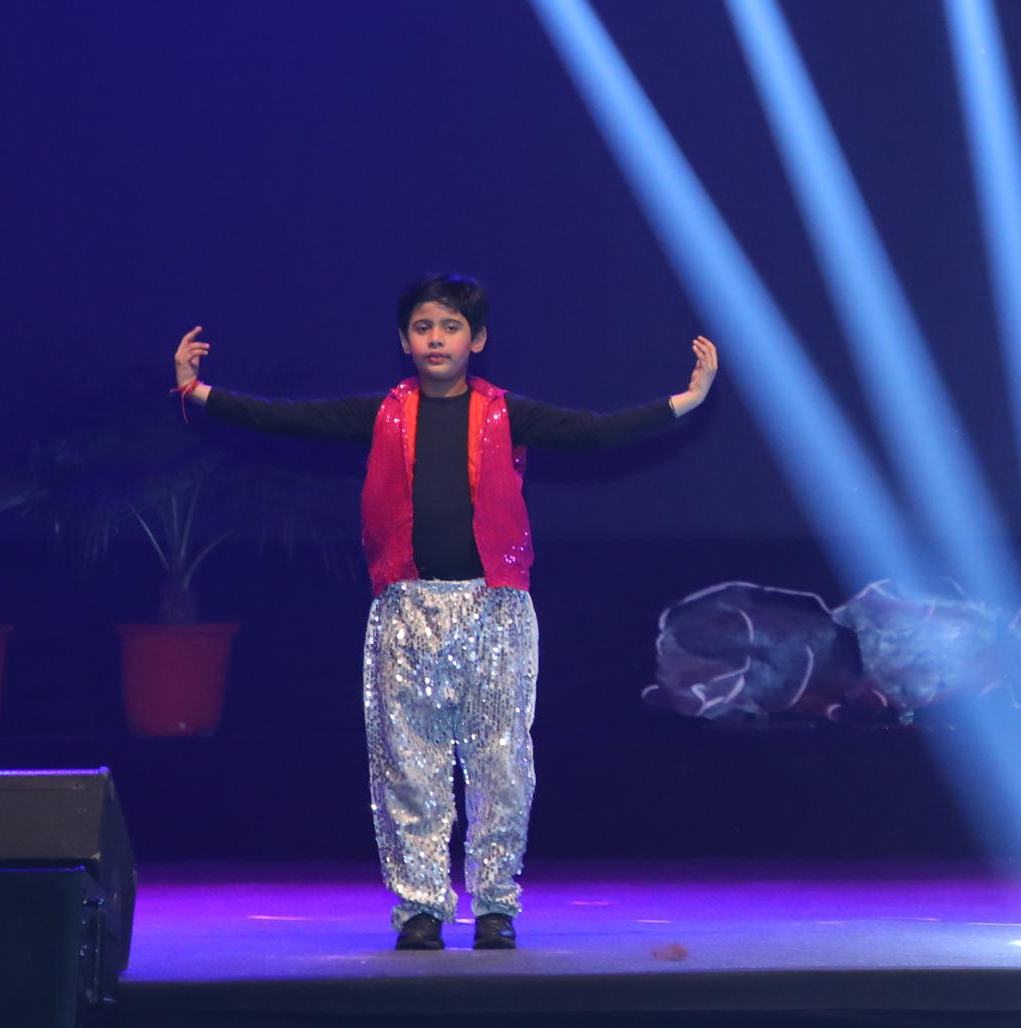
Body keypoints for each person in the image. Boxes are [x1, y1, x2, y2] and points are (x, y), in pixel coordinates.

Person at [173, 273, 716, 951]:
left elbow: (596, 433)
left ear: (476, 340)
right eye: (424, 327)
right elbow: (285, 418)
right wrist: (198, 392)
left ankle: (495, 907)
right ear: (404, 341)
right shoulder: (380, 413)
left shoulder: (507, 413)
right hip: (406, 610)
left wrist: (687, 400)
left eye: (451, 327)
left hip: (495, 609)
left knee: (501, 764)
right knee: (410, 764)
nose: (436, 339)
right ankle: (421, 908)